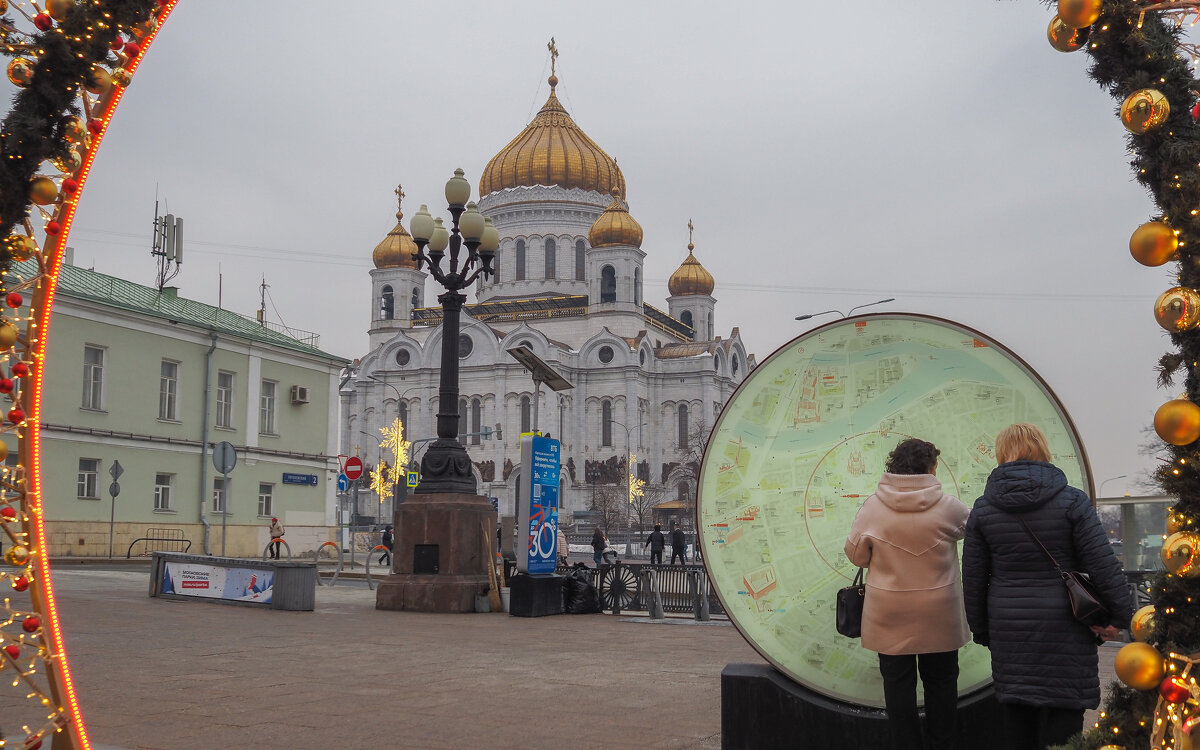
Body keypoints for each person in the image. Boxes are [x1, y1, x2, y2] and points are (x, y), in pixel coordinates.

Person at [962, 423, 1132, 750]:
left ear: (1002, 454)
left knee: (1017, 714)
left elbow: (973, 577)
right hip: (1066, 621)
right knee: (1065, 716)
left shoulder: (983, 509)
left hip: (1009, 625)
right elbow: (1101, 563)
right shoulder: (1072, 502)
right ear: (1042, 449)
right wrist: (1120, 616)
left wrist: (982, 629)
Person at [844, 438, 969, 750]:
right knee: (941, 684)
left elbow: (856, 555)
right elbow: (976, 530)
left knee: (898, 688)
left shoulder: (873, 507)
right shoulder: (949, 507)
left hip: (889, 614)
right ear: (930, 468)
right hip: (939, 613)